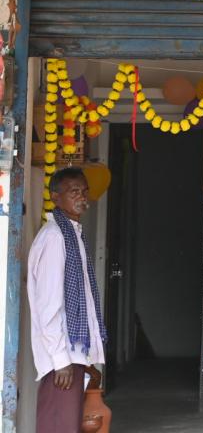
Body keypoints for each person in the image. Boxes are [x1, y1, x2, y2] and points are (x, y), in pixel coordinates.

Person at [27, 168, 107, 433]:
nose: (82, 197)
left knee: (66, 427)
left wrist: (85, 359)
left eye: (84, 191)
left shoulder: (72, 234)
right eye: (74, 191)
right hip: (60, 360)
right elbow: (48, 305)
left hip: (71, 356)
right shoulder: (55, 237)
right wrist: (61, 360)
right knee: (58, 427)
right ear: (55, 197)